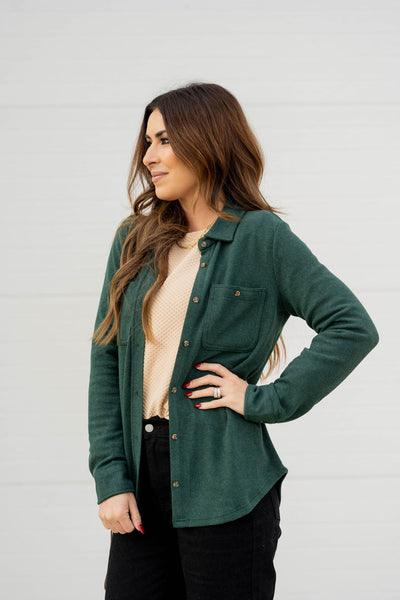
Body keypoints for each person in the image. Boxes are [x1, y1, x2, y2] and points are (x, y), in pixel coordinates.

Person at [88, 82, 379, 600]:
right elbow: (106, 360)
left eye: (164, 140)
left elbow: (351, 326)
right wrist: (111, 477)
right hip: (141, 480)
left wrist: (265, 399)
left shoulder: (262, 237)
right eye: (147, 142)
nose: (148, 156)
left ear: (208, 141)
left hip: (226, 481)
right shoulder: (133, 240)